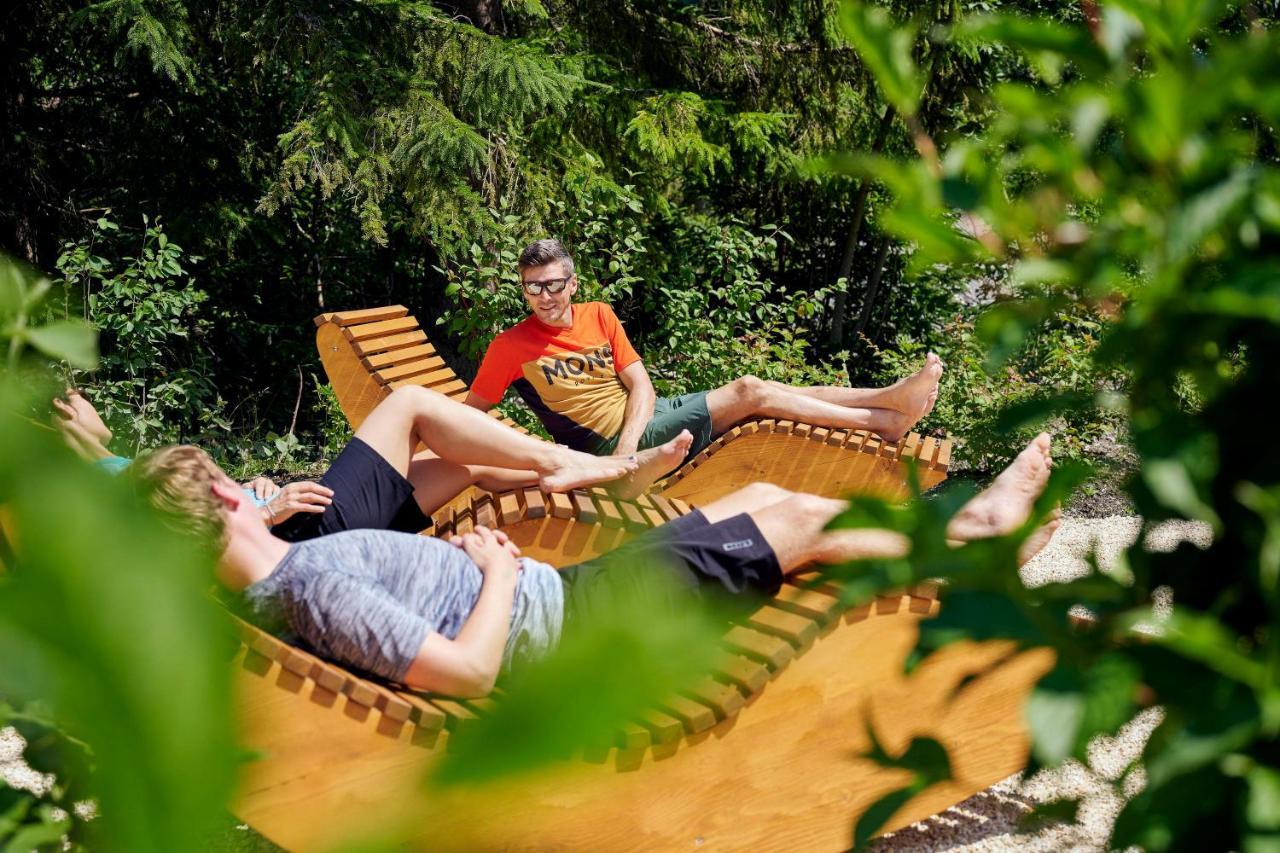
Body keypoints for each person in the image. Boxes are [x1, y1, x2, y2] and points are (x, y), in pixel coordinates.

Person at [136, 433, 1060, 697]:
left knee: (763, 498)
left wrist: (464, 564)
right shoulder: (306, 579)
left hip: (573, 599)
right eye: (233, 478)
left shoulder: (283, 585)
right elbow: (467, 672)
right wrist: (493, 569)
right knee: (800, 520)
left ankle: (957, 527)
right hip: (579, 629)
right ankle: (975, 539)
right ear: (224, 499)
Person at [463, 238, 945, 462]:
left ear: (571, 282)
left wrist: (633, 439)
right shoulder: (510, 347)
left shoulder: (599, 314)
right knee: (750, 391)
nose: (543, 297)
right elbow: (470, 419)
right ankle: (883, 419)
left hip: (640, 424)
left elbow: (641, 384)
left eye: (551, 285)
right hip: (605, 445)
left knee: (770, 387)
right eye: (532, 288)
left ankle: (888, 399)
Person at [54, 385, 693, 541]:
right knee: (408, 405)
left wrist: (252, 496)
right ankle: (570, 463)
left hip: (297, 528)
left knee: (463, 467)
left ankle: (601, 473)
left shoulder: (111, 471)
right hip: (303, 541)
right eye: (75, 399)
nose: (85, 402)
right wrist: (267, 513)